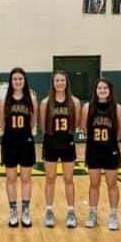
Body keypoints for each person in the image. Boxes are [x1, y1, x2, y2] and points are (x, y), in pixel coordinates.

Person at [81, 78, 121, 229]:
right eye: (99, 88)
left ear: (110, 90)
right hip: (93, 150)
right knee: (94, 184)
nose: (102, 90)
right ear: (95, 90)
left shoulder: (117, 107)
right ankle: (92, 213)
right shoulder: (88, 107)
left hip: (110, 150)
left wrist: (111, 143)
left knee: (112, 184)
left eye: (105, 88)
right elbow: (84, 128)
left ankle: (113, 215)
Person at [40, 71, 81, 227]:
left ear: (66, 82)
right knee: (50, 178)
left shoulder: (74, 102)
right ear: (53, 83)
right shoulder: (45, 103)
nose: (59, 83)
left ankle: (71, 212)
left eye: (62, 80)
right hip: (51, 142)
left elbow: (76, 124)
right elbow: (43, 127)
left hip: (67, 143)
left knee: (68, 179)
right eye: (57, 80)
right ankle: (49, 211)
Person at [0, 68, 37, 227]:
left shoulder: (31, 99)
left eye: (20, 79)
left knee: (26, 178)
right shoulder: (4, 100)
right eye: (15, 79)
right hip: (9, 141)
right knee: (11, 178)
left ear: (24, 80)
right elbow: (2, 123)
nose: (17, 82)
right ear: (11, 81)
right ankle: (13, 211)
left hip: (26, 141)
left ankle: (26, 211)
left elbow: (33, 122)